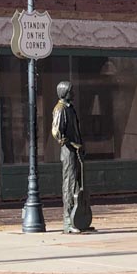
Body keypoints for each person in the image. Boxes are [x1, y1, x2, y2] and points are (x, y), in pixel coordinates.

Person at [51, 81, 94, 233]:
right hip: (68, 152)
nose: (73, 94)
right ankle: (68, 221)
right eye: (71, 91)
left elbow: (76, 130)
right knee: (69, 185)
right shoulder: (60, 109)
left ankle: (79, 220)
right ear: (64, 92)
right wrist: (72, 144)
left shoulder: (70, 109)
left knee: (77, 184)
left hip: (76, 151)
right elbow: (57, 132)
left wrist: (80, 145)